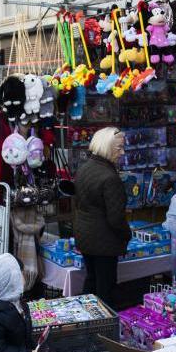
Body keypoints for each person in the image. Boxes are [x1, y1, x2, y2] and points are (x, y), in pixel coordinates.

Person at [73, 127, 131, 301]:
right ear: (107, 147)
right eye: (119, 148)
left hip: (86, 237)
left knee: (91, 281)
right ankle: (104, 326)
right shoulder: (109, 177)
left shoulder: (84, 168)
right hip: (104, 241)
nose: (122, 152)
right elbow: (116, 219)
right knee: (105, 289)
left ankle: (86, 321)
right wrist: (127, 234)